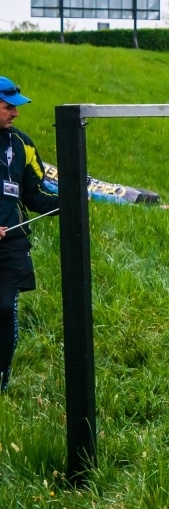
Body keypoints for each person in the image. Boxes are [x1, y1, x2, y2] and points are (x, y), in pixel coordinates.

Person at [0, 76, 59, 393]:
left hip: (12, 242)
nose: (16, 114)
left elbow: (33, 194)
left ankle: (1, 379)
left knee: (4, 308)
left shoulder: (22, 144)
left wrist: (67, 202)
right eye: (9, 107)